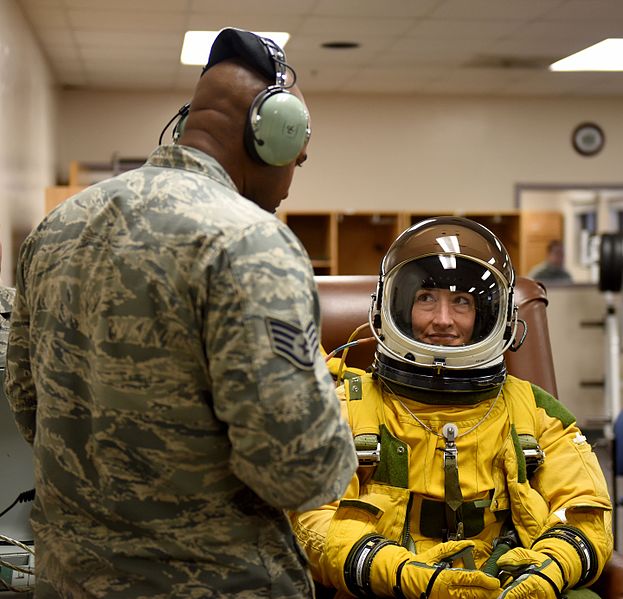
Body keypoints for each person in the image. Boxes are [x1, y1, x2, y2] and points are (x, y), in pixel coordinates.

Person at [4, 27, 357, 598]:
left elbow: (28, 405)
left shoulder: (56, 229)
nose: (293, 179)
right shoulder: (251, 242)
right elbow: (301, 471)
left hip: (69, 579)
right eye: (299, 158)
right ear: (269, 138)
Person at [292, 216, 612, 599]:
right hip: (390, 587)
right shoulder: (348, 407)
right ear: (389, 308)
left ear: (493, 316)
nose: (443, 320)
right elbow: (312, 518)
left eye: (461, 302)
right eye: (426, 299)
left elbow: (586, 511)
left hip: (507, 581)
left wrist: (547, 572)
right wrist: (402, 574)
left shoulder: (534, 410)